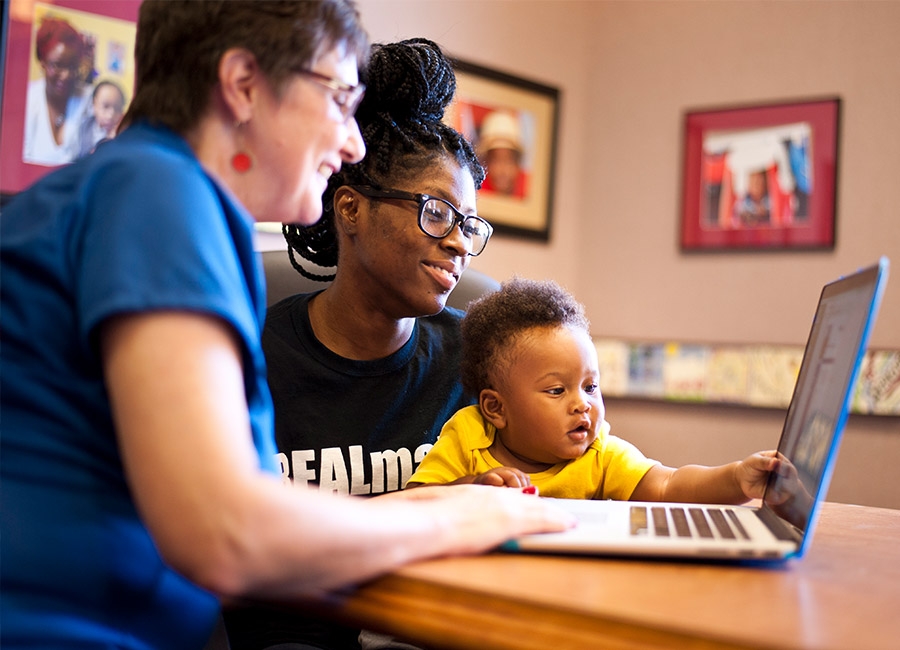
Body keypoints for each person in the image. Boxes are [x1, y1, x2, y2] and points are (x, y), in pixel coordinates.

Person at [0, 4, 574, 649]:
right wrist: (466, 521)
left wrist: (441, 501)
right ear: (243, 83)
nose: (352, 141)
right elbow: (228, 534)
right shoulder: (160, 193)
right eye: (337, 97)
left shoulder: (124, 188)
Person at [223, 37, 499, 650]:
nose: (457, 242)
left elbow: (577, 464)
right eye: (437, 212)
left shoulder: (475, 356)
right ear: (350, 209)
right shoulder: (250, 355)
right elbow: (232, 541)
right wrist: (435, 507)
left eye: (469, 225)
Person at [407, 278, 779, 505]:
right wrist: (470, 487)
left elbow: (668, 485)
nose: (582, 404)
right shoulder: (469, 436)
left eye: (591, 386)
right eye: (557, 390)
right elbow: (416, 504)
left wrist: (735, 479)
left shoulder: (598, 453)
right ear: (495, 408)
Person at [22, 14, 94, 165]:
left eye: (73, 66)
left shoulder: (90, 99)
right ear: (42, 62)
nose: (66, 75)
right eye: (57, 65)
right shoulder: (27, 98)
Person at [477, 109, 528, 198]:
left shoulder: (528, 188)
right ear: (486, 163)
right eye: (495, 160)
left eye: (508, 160)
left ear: (517, 163)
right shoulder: (477, 189)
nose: (502, 170)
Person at [78, 79, 127, 157]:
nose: (110, 115)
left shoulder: (123, 134)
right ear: (94, 104)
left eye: (117, 109)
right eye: (105, 106)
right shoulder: (84, 127)